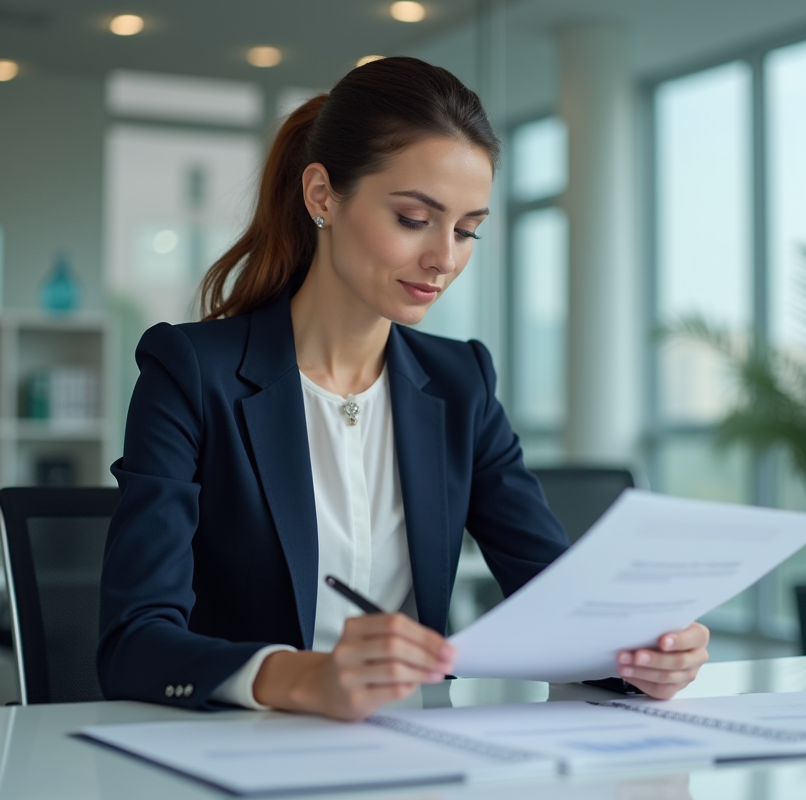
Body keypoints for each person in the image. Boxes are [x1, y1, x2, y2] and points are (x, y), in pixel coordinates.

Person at [97, 56, 709, 721]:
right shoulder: (190, 373)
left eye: (468, 229)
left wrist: (641, 655)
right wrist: (304, 679)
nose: (445, 258)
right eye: (415, 218)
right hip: (242, 754)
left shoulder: (461, 384)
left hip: (420, 752)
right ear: (322, 196)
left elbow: (555, 600)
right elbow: (134, 643)